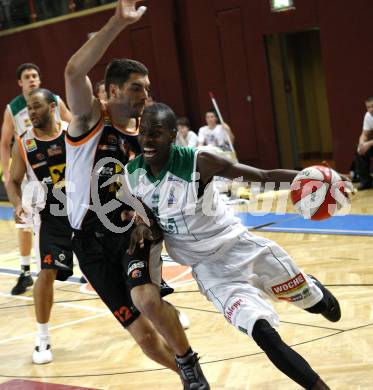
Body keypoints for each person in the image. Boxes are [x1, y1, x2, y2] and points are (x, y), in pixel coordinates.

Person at [123, 102, 344, 390]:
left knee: (327, 310)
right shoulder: (132, 174)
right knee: (264, 334)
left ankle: (313, 291)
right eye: (144, 132)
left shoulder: (199, 162)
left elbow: (262, 177)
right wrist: (140, 222)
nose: (148, 139)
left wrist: (312, 179)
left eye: (157, 132)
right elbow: (144, 216)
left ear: (173, 135)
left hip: (242, 247)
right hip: (211, 272)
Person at [64, 1, 208, 388]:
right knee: (143, 338)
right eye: (135, 88)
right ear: (111, 92)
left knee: (146, 300)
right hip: (87, 243)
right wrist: (118, 22)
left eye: (147, 88)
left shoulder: (146, 141)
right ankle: (188, 375)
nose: (145, 95)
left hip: (131, 234)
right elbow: (74, 71)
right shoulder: (90, 120)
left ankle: (188, 361)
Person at [6, 88, 73, 364]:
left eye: (37, 107)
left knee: (115, 264)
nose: (32, 113)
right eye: (29, 109)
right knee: (46, 274)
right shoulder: (24, 143)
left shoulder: (73, 132)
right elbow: (12, 180)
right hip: (49, 218)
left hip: (86, 213)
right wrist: (17, 204)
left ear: (53, 107)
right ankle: (42, 338)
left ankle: (149, 313)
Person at [0, 62, 71, 295]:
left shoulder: (54, 100)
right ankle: (25, 271)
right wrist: (7, 172)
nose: (31, 79)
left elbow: (73, 126)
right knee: (24, 221)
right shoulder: (13, 108)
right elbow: (4, 142)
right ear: (20, 82)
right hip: (30, 166)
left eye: (35, 76)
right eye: (27, 77)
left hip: (60, 169)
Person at [355, 96, 373, 190]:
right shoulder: (368, 116)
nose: (371, 109)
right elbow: (364, 134)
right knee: (360, 149)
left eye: (372, 106)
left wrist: (368, 144)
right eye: (368, 107)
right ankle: (366, 182)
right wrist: (361, 143)